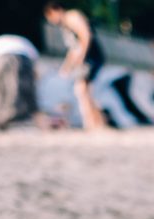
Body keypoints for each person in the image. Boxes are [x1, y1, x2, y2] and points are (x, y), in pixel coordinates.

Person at [44, 1, 106, 130]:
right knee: (85, 91)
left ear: (56, 10)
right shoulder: (66, 25)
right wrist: (67, 66)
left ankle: (92, 124)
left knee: (81, 89)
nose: (52, 21)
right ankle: (97, 123)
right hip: (88, 57)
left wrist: (82, 57)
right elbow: (73, 48)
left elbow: (86, 35)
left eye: (51, 17)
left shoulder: (72, 16)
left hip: (90, 57)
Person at [0, 33, 45, 130]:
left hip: (2, 60)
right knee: (22, 90)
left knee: (0, 89)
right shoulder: (27, 44)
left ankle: (3, 118)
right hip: (23, 60)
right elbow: (35, 71)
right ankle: (21, 118)